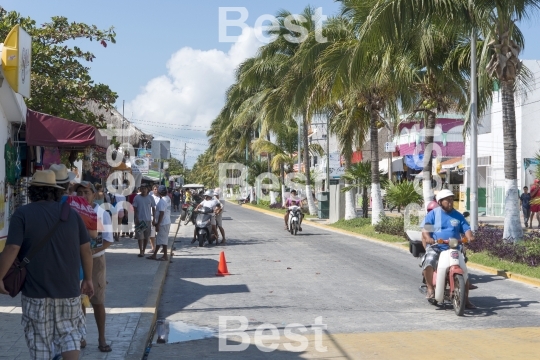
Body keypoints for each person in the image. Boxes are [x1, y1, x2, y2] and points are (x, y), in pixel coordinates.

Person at [0, 170, 94, 360]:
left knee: (40, 339)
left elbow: (11, 248)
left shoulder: (22, 214)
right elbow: (86, 250)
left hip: (36, 291)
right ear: (57, 191)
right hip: (68, 289)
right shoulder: (72, 215)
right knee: (69, 334)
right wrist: (88, 279)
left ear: (33, 191)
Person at [75, 181, 114, 353]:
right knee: (79, 301)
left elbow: (108, 240)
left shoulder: (101, 213)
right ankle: (81, 335)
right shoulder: (73, 213)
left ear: (94, 194)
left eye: (86, 193)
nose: (83, 196)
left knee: (97, 300)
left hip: (96, 261)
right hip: (75, 261)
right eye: (80, 193)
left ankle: (101, 338)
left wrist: (92, 251)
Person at [421, 189, 476, 309]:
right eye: (448, 200)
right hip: (437, 247)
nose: (451, 202)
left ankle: (465, 299)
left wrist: (470, 236)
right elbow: (426, 230)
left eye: (452, 200)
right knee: (429, 262)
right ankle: (430, 288)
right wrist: (429, 238)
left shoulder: (458, 215)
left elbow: (466, 228)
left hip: (454, 247)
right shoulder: (433, 214)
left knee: (463, 269)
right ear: (440, 202)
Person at [148, 185, 171, 261]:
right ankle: (155, 255)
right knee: (161, 240)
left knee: (162, 240)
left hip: (163, 223)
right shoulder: (167, 198)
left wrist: (158, 224)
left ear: (159, 192)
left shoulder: (162, 201)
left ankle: (164, 256)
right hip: (166, 222)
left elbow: (161, 213)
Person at [133, 184, 156, 257]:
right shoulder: (137, 198)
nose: (143, 190)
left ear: (147, 189)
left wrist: (154, 219)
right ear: (140, 189)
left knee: (146, 237)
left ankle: (144, 249)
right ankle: (141, 251)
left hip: (148, 220)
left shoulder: (151, 198)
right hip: (140, 220)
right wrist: (136, 219)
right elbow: (135, 209)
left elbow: (153, 208)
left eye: (145, 189)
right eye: (142, 189)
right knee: (140, 237)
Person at [149, 184, 161, 253]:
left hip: (159, 217)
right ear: (152, 190)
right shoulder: (150, 197)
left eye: (157, 189)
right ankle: (153, 247)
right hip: (151, 217)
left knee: (160, 233)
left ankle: (160, 246)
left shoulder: (161, 198)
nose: (156, 191)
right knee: (152, 234)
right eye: (155, 189)